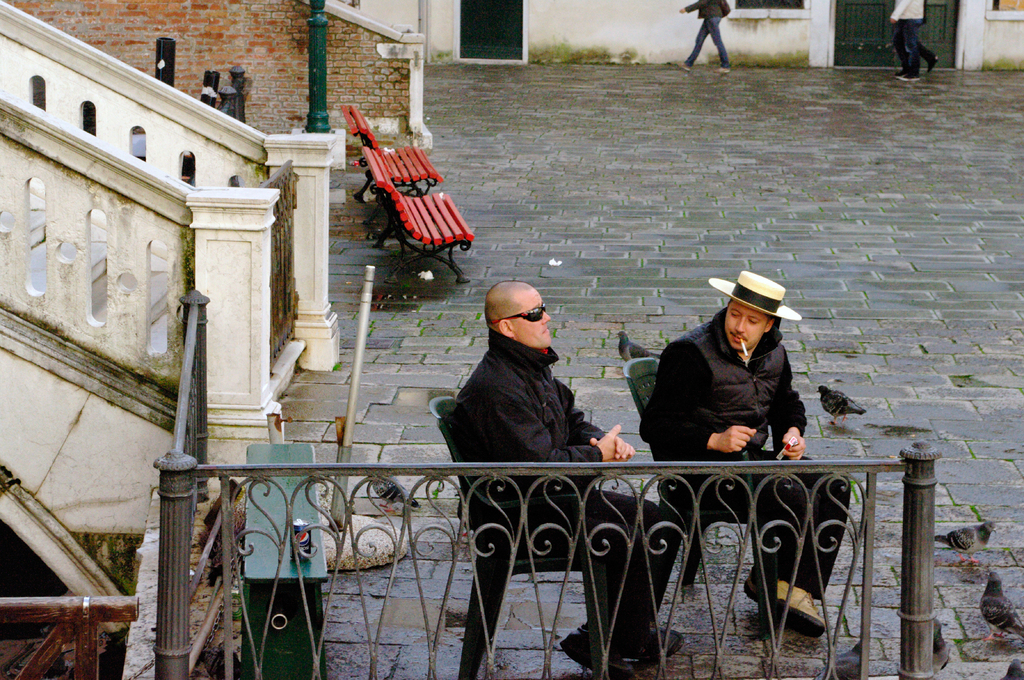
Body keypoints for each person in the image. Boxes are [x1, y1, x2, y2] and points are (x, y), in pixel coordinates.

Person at [450, 281, 682, 680]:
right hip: (519, 516)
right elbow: (541, 467)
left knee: (656, 520)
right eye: (534, 313)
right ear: (506, 327)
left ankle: (616, 636)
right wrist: (597, 455)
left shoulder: (530, 364)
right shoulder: (497, 388)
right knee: (627, 534)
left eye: (543, 308)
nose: (546, 317)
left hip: (553, 498)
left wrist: (599, 440)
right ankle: (612, 641)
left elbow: (571, 418)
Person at [639, 271, 851, 638]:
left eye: (752, 320)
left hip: (750, 464)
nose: (739, 326)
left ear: (769, 324)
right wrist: (713, 439)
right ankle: (778, 587)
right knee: (791, 494)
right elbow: (655, 426)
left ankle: (789, 587)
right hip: (699, 473)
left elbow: (787, 404)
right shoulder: (690, 354)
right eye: (735, 313)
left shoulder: (774, 353)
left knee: (835, 485)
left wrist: (792, 432)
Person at [680, 0, 730, 73]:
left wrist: (686, 9)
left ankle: (725, 66)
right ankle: (688, 64)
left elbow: (702, 2)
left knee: (718, 42)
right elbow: (725, 5)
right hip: (713, 17)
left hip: (711, 17)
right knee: (699, 40)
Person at [890, 0, 933, 81]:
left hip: (912, 17)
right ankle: (907, 68)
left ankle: (914, 73)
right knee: (898, 41)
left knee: (911, 45)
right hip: (904, 16)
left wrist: (895, 15)